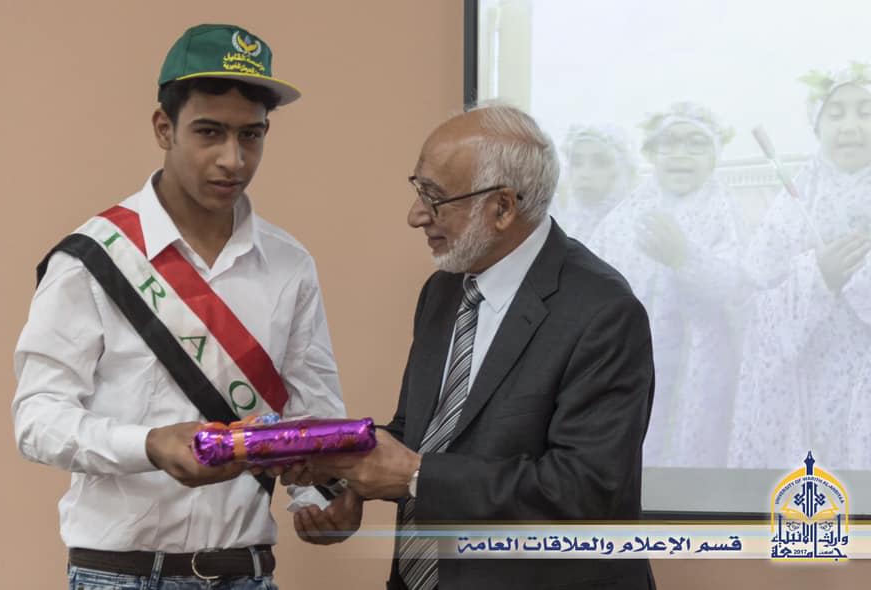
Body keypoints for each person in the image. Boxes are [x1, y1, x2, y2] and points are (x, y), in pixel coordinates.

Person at [11, 24, 359, 590]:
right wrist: (150, 446)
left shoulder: (290, 264)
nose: (233, 159)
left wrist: (325, 497)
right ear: (163, 127)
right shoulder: (93, 258)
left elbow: (312, 413)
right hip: (119, 574)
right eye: (209, 132)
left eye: (251, 135)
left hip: (245, 572)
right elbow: (37, 421)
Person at [302, 104, 656, 589]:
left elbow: (585, 490)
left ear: (503, 207)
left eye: (434, 197)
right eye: (418, 190)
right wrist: (341, 473)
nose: (415, 215)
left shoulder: (603, 312)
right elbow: (422, 433)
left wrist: (416, 477)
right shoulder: (444, 289)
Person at [729, 62, 871, 470]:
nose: (850, 126)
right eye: (836, 114)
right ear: (817, 125)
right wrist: (817, 277)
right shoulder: (791, 206)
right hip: (808, 394)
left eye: (865, 113)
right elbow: (754, 302)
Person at [588, 102, 746, 468]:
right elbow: (593, 278)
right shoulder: (626, 214)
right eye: (669, 143)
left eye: (696, 144)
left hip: (701, 360)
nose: (681, 155)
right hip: (633, 359)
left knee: (693, 450)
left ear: (715, 155)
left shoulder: (725, 213)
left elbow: (736, 287)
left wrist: (684, 258)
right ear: (652, 153)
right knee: (637, 445)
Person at [549, 124, 637, 242]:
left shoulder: (632, 230)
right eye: (577, 163)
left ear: (620, 169)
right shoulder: (559, 224)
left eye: (600, 163)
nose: (585, 174)